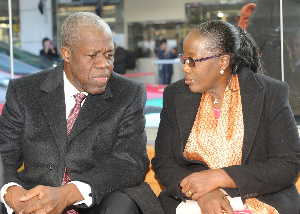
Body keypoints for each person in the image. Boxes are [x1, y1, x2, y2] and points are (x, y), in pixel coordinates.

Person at [0, 12, 163, 214]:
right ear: (66, 54)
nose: (104, 64)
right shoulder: (25, 91)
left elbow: (130, 160)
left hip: (97, 199)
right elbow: (3, 154)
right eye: (92, 55)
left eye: (109, 55)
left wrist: (69, 193)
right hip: (32, 199)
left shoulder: (128, 93)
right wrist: (13, 194)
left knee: (122, 204)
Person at [152, 20, 300, 214]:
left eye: (193, 60)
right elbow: (164, 161)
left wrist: (219, 177)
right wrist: (202, 192)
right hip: (191, 203)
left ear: (223, 61)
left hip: (262, 199)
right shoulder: (175, 95)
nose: (185, 68)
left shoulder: (269, 93)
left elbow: (286, 164)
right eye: (184, 59)